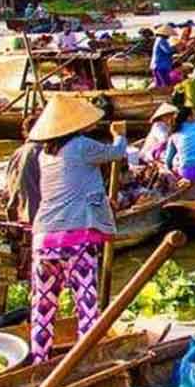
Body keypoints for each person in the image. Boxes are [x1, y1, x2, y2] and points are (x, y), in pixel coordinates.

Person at [29, 95, 128, 361]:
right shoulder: (81, 146)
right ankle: (87, 357)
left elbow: (73, 183)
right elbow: (116, 153)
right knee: (86, 303)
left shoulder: (45, 154)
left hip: (43, 239)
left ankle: (39, 359)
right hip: (76, 239)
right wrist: (118, 134)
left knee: (43, 304)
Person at [0, 115, 43, 224]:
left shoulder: (17, 153)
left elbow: (10, 183)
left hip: (21, 212)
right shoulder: (47, 152)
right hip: (39, 216)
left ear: (25, 133)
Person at [150, 25, 176, 89]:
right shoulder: (162, 40)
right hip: (161, 65)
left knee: (159, 84)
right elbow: (167, 51)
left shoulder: (158, 40)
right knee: (165, 84)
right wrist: (175, 49)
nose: (169, 36)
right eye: (168, 35)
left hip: (157, 65)